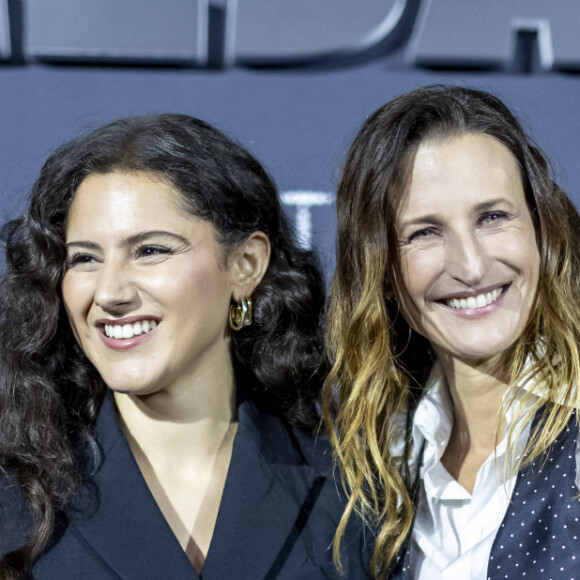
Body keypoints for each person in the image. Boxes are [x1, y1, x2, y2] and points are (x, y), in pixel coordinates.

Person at [0, 114, 370, 579]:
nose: (110, 292)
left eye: (150, 250)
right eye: (85, 258)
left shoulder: (353, 490)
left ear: (246, 264)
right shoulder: (16, 496)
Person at [323, 85, 580, 579]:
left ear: (542, 230)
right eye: (425, 232)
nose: (471, 265)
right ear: (384, 272)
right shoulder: (384, 460)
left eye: (493, 217)